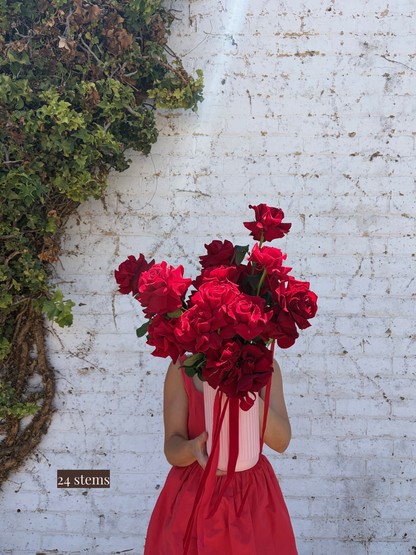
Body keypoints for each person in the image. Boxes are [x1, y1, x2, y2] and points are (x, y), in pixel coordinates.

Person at [143, 354, 299, 555]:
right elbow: (172, 446)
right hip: (194, 497)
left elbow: (281, 442)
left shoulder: (265, 365)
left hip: (251, 498)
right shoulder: (182, 367)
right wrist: (192, 449)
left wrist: (247, 391)